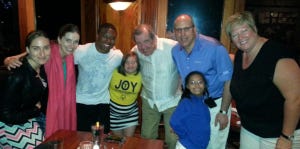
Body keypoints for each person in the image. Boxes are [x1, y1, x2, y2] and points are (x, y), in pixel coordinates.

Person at [223, 11, 300, 149]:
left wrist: (286, 137)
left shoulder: (276, 55)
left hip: (277, 134)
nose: (241, 37)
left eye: (244, 30)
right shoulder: (241, 54)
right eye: (235, 35)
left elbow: (295, 98)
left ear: (254, 29)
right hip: (250, 129)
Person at [3, 24, 81, 138]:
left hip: (63, 111)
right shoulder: (48, 54)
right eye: (68, 40)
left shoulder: (72, 57)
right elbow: (30, 54)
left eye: (76, 41)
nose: (72, 45)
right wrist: (8, 60)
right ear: (59, 39)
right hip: (44, 113)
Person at [171, 14, 233, 149]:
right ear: (174, 32)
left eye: (186, 29)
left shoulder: (215, 48)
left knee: (214, 145)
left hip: (215, 105)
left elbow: (229, 81)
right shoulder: (175, 51)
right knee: (192, 142)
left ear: (194, 29)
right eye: (178, 30)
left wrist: (223, 111)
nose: (182, 34)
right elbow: (182, 78)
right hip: (191, 104)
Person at [131, 24, 181, 149]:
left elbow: (186, 66)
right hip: (149, 101)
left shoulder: (172, 47)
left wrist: (180, 86)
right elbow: (127, 63)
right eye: (139, 43)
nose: (143, 47)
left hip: (172, 101)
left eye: (146, 41)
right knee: (146, 138)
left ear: (154, 38)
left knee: (173, 140)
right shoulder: (135, 50)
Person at [0, 30, 50, 148]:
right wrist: (35, 110)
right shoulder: (17, 74)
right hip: (7, 124)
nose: (42, 53)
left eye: (46, 48)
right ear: (27, 50)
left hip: (27, 118)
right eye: (36, 48)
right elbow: (4, 114)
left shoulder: (41, 68)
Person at [75, 23, 123, 134]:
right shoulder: (81, 51)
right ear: (97, 35)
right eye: (105, 36)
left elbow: (131, 67)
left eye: (112, 38)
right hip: (81, 102)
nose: (109, 41)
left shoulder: (117, 56)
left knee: (102, 136)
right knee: (82, 137)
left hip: (102, 103)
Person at [170, 71, 211, 149]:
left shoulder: (202, 102)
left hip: (199, 145)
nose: (196, 85)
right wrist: (183, 135)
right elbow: (174, 121)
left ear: (205, 84)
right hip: (187, 145)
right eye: (192, 83)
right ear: (187, 86)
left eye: (200, 82)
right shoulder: (186, 102)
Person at [109, 52, 142, 137]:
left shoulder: (141, 75)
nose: (130, 65)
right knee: (118, 141)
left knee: (128, 142)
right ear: (123, 63)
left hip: (130, 115)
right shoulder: (114, 71)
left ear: (138, 64)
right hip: (113, 115)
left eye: (133, 62)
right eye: (127, 62)